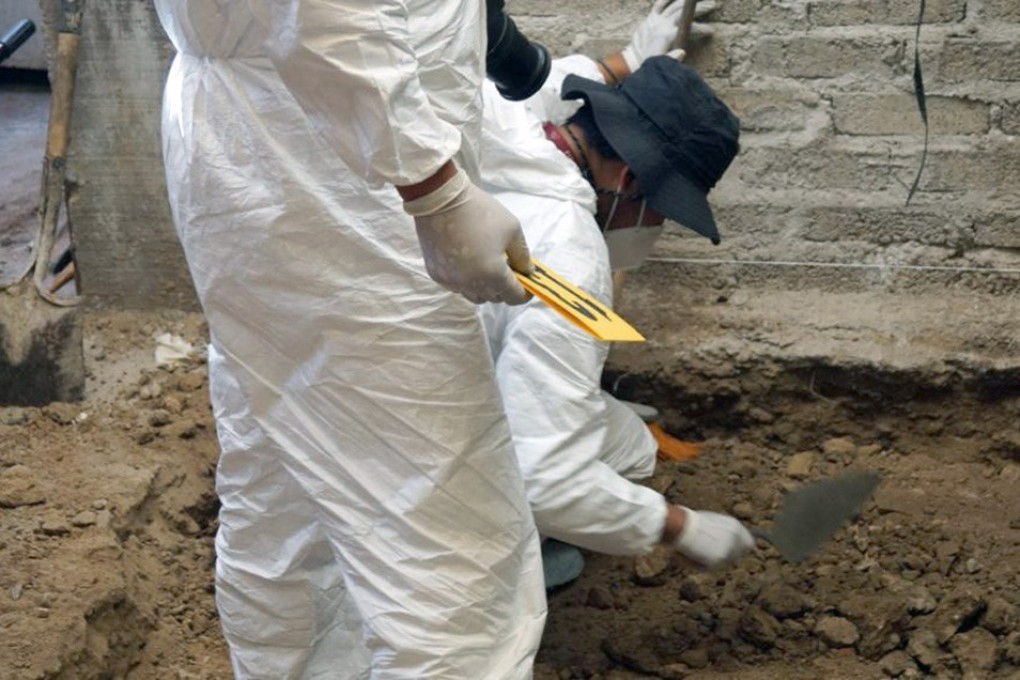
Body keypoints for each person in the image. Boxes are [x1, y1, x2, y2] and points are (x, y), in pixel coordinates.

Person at [153, 1, 549, 677]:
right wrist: (434, 189)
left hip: (279, 148)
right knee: (449, 557)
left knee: (286, 497)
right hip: (340, 181)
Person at [478, 48, 754, 586]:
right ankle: (508, 557)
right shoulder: (570, 254)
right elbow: (543, 475)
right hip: (411, 445)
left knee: (630, 445)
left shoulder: (503, 115)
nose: (657, 227)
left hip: (381, 367)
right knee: (559, 477)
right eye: (663, 209)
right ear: (628, 181)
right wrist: (678, 526)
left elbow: (555, 73)